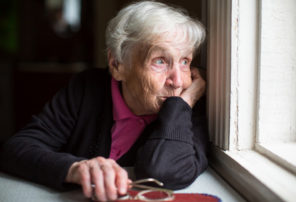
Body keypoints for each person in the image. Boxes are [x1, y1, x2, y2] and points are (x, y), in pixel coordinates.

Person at [0, 1, 208, 201]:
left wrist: (182, 105)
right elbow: (17, 149)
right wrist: (75, 169)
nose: (178, 81)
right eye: (160, 61)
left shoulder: (188, 108)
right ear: (117, 65)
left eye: (185, 62)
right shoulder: (87, 88)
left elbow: (163, 173)